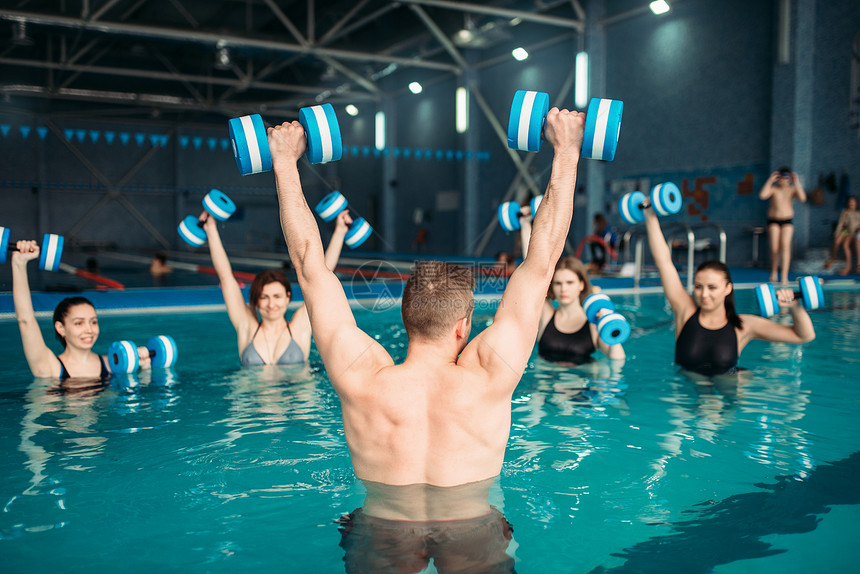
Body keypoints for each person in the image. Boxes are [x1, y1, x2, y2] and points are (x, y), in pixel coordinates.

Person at [270, 105, 583, 490]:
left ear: (406, 317)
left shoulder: (363, 378)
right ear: (462, 326)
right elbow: (542, 262)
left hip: (384, 535)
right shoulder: (490, 375)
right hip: (472, 534)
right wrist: (566, 150)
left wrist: (284, 161)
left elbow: (309, 269)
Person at [642, 198, 815, 377]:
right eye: (698, 287)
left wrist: (794, 306)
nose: (704, 294)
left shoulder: (744, 326)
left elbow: (803, 336)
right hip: (691, 388)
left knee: (726, 388)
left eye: (712, 287)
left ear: (728, 288)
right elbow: (664, 263)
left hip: (730, 387)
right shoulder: (684, 312)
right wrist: (649, 213)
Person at [202, 209, 350, 365]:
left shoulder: (300, 326)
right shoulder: (246, 327)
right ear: (256, 300)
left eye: (276, 296)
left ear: (287, 297)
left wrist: (340, 232)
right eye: (264, 297)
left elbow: (320, 277)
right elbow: (226, 278)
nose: (271, 304)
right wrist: (211, 229)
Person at [11, 240, 151, 380]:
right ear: (61, 328)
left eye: (93, 322)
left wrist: (145, 370)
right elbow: (25, 321)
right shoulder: (49, 368)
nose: (89, 330)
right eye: (79, 323)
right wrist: (19, 264)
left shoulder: (112, 365)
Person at [519, 208, 625, 366]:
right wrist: (524, 224)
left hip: (582, 387)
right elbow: (532, 269)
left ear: (581, 285)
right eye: (558, 283)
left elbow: (617, 360)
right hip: (547, 387)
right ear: (552, 287)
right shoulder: (546, 316)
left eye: (570, 283)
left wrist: (608, 322)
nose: (563, 289)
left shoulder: (593, 323)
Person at [759, 167, 807, 284]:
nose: (783, 181)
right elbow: (762, 195)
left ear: (789, 179)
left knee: (785, 246)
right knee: (775, 248)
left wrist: (797, 182)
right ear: (778, 178)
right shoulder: (773, 189)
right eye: (781, 178)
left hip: (787, 221)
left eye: (786, 178)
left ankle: (784, 276)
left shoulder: (792, 190)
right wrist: (770, 180)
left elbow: (803, 198)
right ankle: (774, 272)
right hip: (773, 221)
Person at [824, 196, 860, 275]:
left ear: (856, 204)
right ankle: (833, 258)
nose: (851, 204)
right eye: (850, 202)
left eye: (853, 203)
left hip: (853, 232)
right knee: (837, 241)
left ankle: (848, 267)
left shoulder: (858, 214)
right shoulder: (845, 212)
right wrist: (837, 232)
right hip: (845, 230)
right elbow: (841, 223)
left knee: (845, 245)